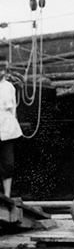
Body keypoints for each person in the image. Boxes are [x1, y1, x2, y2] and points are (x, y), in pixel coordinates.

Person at [0, 64, 23, 198]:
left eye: (3, 70)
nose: (1, 72)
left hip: (6, 128)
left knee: (8, 163)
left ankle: (7, 196)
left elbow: (13, 109)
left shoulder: (9, 87)